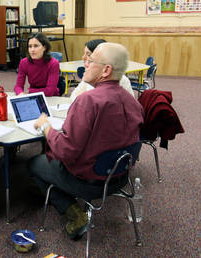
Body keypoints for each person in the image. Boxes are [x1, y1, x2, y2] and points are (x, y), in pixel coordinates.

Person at [29, 43, 144, 240]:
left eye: (90, 61)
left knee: (34, 163)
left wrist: (46, 127)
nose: (85, 65)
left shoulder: (88, 101)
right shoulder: (132, 101)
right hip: (121, 178)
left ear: (106, 70)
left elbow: (65, 151)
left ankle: (74, 213)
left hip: (90, 182)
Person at [70, 39, 134, 102]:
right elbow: (74, 97)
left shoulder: (120, 80)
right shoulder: (89, 77)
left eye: (89, 55)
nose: (83, 57)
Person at [14, 32, 62, 97]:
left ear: (44, 47)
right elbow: (18, 86)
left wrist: (30, 91)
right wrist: (20, 93)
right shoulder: (24, 62)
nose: (32, 50)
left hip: (51, 97)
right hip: (33, 96)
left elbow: (49, 91)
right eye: (30, 46)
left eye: (36, 46)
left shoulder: (53, 63)